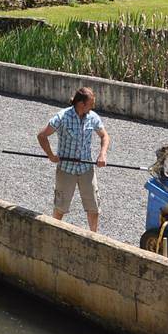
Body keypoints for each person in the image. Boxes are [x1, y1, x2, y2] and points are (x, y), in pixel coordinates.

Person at [37, 86, 110, 232]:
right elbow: (42, 135)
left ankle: (94, 238)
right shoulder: (62, 117)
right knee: (60, 207)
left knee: (94, 207)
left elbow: (105, 136)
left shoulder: (93, 117)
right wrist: (51, 155)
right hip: (66, 170)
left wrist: (102, 154)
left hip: (86, 170)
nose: (93, 106)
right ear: (81, 103)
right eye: (91, 103)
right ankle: (53, 233)